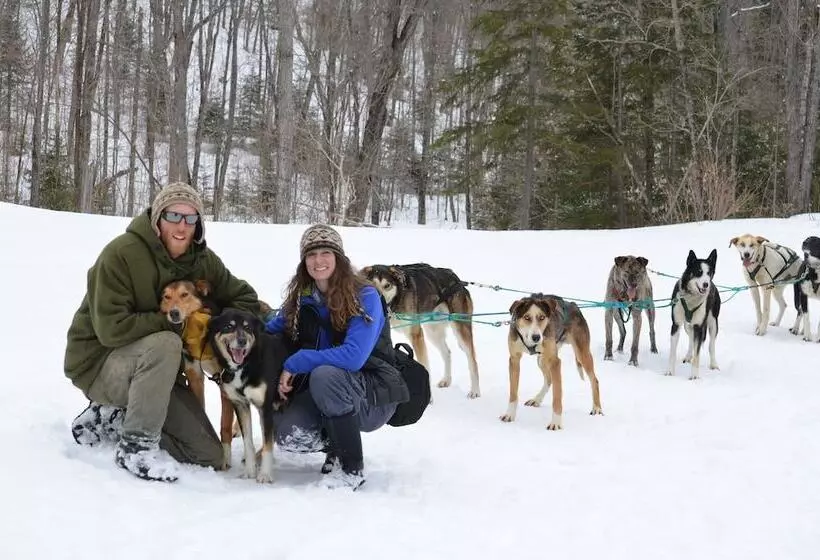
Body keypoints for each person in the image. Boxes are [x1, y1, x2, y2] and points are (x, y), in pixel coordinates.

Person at [64, 182, 263, 483]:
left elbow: (244, 297)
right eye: (173, 216)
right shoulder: (120, 255)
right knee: (167, 342)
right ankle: (136, 447)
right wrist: (177, 323)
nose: (182, 226)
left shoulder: (203, 261)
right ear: (157, 219)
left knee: (207, 455)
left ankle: (115, 420)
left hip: (160, 377)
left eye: (190, 218)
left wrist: (215, 320)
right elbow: (110, 330)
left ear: (199, 225)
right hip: (101, 365)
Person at [265, 224, 409, 490]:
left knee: (325, 374)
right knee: (288, 432)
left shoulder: (365, 296)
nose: (318, 260)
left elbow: (353, 357)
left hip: (374, 393)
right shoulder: (303, 298)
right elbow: (269, 329)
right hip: (327, 390)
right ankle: (335, 444)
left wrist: (296, 362)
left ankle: (350, 468)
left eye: (325, 253)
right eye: (311, 254)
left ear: (339, 258)